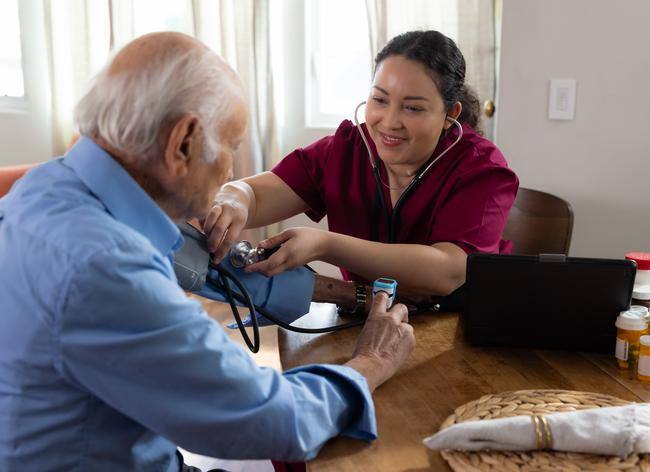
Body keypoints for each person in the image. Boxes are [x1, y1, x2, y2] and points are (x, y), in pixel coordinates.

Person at [0, 32, 415, 471]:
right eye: (232, 146)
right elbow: (272, 419)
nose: (233, 171)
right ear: (183, 142)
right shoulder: (104, 268)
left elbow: (209, 264)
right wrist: (372, 361)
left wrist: (353, 295)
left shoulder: (45, 190)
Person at [204, 30, 519, 310]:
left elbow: (447, 271)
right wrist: (235, 195)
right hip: (365, 313)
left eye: (412, 108)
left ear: (450, 114)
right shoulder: (346, 148)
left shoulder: (483, 169)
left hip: (460, 326)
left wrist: (325, 245)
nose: (390, 121)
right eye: (380, 100)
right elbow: (257, 197)